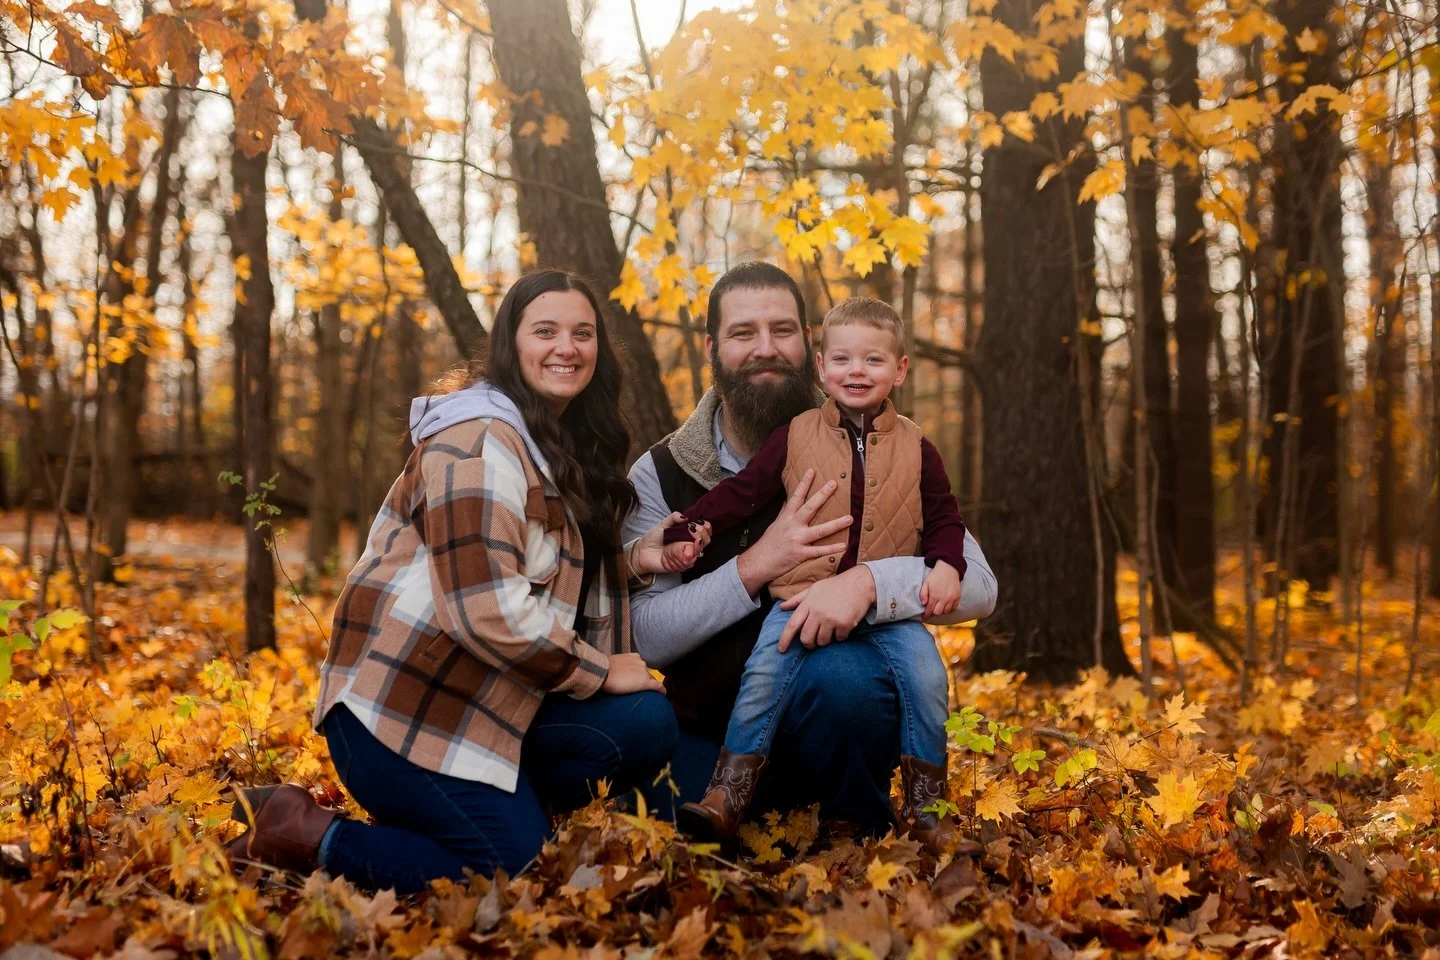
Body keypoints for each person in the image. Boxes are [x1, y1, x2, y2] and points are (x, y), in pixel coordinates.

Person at [226, 271, 684, 893]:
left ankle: (492, 812)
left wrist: (634, 562)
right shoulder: (478, 440)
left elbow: (539, 572)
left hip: (488, 704)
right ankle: (300, 831)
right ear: (510, 344)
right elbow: (485, 609)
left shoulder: (555, 443)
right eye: (545, 331)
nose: (566, 348)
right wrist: (600, 672)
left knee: (643, 723)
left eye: (582, 333)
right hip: (399, 714)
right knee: (513, 872)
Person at [623, 261, 997, 844]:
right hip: (712, 732)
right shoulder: (661, 472)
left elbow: (979, 587)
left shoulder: (889, 446)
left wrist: (868, 582)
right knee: (666, 823)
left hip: (837, 728)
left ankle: (866, 820)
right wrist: (756, 566)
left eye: (782, 330)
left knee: (853, 678)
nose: (766, 349)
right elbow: (644, 634)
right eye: (743, 332)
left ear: (808, 345)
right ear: (712, 348)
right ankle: (733, 799)